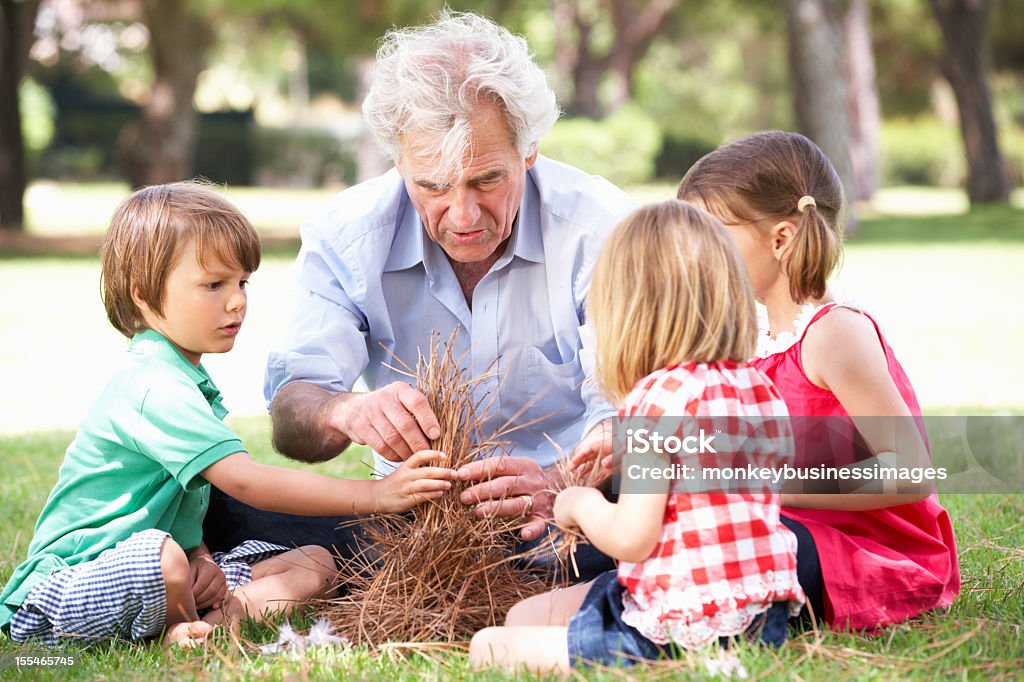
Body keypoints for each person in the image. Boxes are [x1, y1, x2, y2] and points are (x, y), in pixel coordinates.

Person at [204, 10, 635, 561]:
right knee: (222, 503)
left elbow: (649, 418)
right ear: (399, 162)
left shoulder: (602, 229)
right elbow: (292, 413)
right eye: (432, 185)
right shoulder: (349, 236)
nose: (463, 214)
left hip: (574, 515)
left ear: (529, 152)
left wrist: (561, 480)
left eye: (488, 179)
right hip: (414, 525)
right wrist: (343, 410)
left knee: (669, 490)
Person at [0, 183, 456, 648]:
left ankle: (212, 618)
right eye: (213, 285)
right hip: (70, 586)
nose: (236, 301)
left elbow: (182, 505)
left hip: (169, 566)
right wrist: (377, 495)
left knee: (314, 564)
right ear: (143, 295)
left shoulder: (186, 380)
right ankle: (181, 625)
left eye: (242, 282)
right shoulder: (153, 386)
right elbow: (246, 482)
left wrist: (203, 560)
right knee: (161, 558)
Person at [469, 201, 806, 672]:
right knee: (524, 615)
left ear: (627, 313)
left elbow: (631, 538)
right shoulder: (758, 388)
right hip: (758, 618)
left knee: (488, 645)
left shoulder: (655, 402)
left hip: (676, 625)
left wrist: (578, 504)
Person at [676, 131, 960, 630]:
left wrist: (771, 487)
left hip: (866, 553)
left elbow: (909, 472)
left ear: (781, 239)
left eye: (710, 233)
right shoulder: (756, 337)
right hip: (797, 527)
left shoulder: (833, 333)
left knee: (716, 535)